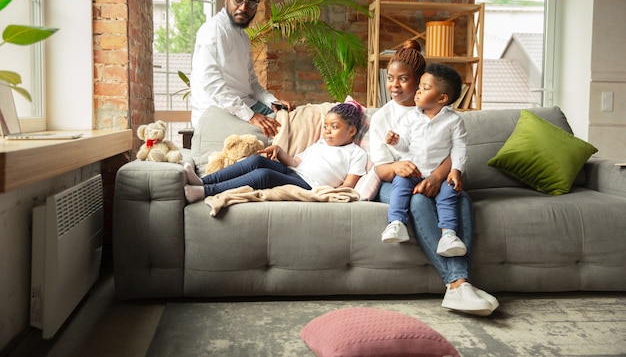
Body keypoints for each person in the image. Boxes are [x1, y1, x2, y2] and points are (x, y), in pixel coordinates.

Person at [369, 39, 499, 316]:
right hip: (396, 183)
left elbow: (454, 150)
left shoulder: (443, 115)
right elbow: (381, 169)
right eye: (390, 79)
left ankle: (460, 285)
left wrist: (439, 176)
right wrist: (398, 167)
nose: (394, 85)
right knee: (417, 203)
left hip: (433, 176)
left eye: (403, 80)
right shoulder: (383, 117)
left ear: (420, 82)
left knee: (460, 199)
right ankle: (456, 283)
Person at [183, 102, 367, 203]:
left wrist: (326, 194)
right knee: (257, 161)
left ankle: (205, 191)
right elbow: (295, 162)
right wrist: (279, 152)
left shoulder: (356, 153)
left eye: (334, 127)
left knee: (264, 175)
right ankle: (202, 180)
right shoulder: (320, 143)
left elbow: (349, 186)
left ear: (351, 131)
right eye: (325, 126)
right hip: (294, 173)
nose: (326, 131)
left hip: (309, 185)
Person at [189, 0, 293, 137]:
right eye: (238, 0)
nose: (244, 8)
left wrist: (272, 102)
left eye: (251, 3)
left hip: (244, 106)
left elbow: (251, 82)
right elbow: (210, 82)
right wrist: (251, 116)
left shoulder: (242, 35)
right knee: (288, 130)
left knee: (293, 119)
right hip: (218, 114)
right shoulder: (214, 30)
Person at [382, 63, 468, 260]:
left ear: (442, 98)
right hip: (414, 171)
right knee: (400, 186)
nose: (418, 92)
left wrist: (456, 170)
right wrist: (396, 142)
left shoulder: (453, 121)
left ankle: (448, 235)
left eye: (425, 88)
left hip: (442, 173)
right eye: (419, 87)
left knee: (449, 195)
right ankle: (396, 223)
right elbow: (405, 145)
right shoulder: (411, 117)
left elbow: (459, 147)